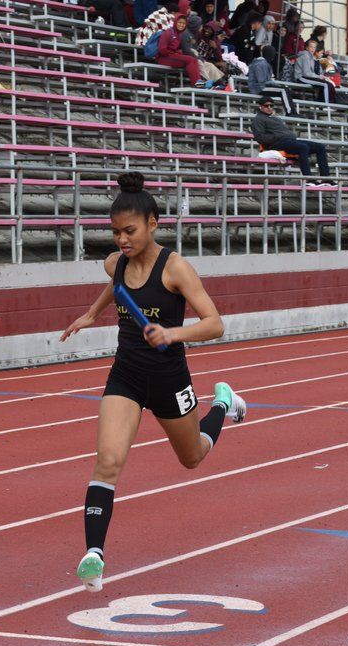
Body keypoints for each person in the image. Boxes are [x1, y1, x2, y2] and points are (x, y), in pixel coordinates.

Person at [59, 172, 247, 592]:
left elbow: (215, 324)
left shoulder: (176, 268)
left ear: (153, 224)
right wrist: (92, 314)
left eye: (129, 231)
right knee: (107, 461)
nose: (121, 240)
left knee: (193, 456)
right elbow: (115, 284)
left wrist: (172, 334)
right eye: (115, 232)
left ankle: (223, 403)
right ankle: (94, 555)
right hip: (126, 375)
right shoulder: (116, 262)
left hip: (169, 379)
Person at [251, 96, 330, 184]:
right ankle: (308, 179)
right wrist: (278, 136)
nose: (269, 108)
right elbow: (260, 138)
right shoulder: (258, 120)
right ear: (260, 107)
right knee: (302, 147)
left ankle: (326, 178)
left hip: (289, 141)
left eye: (271, 106)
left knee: (320, 147)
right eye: (266, 106)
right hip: (276, 144)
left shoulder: (275, 118)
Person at [156, 14, 202, 86]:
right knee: (191, 60)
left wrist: (177, 53)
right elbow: (162, 49)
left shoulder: (178, 34)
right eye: (179, 22)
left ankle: (199, 83)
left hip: (171, 56)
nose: (181, 25)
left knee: (194, 60)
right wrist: (173, 53)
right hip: (163, 58)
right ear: (175, 22)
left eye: (183, 23)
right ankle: (197, 84)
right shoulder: (168, 32)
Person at [247, 45, 295, 115]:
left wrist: (275, 85)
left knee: (285, 89)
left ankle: (293, 112)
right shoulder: (261, 64)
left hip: (262, 86)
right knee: (283, 90)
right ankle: (290, 112)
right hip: (258, 88)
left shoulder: (265, 63)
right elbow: (261, 81)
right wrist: (274, 84)